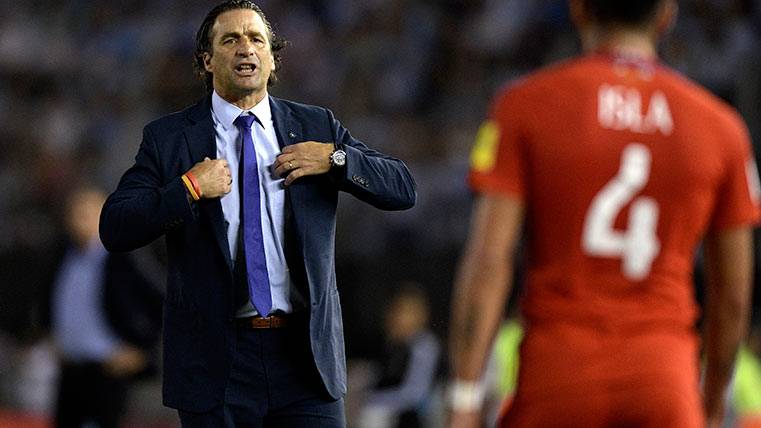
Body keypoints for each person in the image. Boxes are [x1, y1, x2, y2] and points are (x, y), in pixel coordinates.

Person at [99, 0, 416, 426]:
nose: (245, 48)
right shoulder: (170, 139)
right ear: (207, 61)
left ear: (272, 58)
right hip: (216, 366)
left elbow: (402, 188)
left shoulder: (316, 127)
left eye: (256, 39)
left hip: (306, 359)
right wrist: (188, 187)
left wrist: (339, 160)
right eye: (230, 39)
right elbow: (115, 226)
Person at [447, 1, 760, 427]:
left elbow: (488, 260)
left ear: (579, 10)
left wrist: (464, 396)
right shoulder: (721, 128)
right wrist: (710, 402)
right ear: (667, 15)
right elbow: (734, 296)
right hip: (663, 379)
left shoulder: (526, 105)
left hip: (557, 373)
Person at [45, 186, 163, 428]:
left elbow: (159, 300)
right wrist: (50, 333)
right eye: (74, 213)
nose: (78, 220)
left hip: (110, 369)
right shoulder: (62, 254)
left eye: (86, 213)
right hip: (71, 367)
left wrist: (143, 349)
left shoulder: (125, 255)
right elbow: (49, 297)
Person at [358, 285, 441, 428]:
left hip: (422, 415)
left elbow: (416, 393)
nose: (397, 317)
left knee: (374, 414)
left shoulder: (424, 345)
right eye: (395, 311)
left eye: (404, 312)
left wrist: (375, 401)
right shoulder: (393, 345)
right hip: (397, 412)